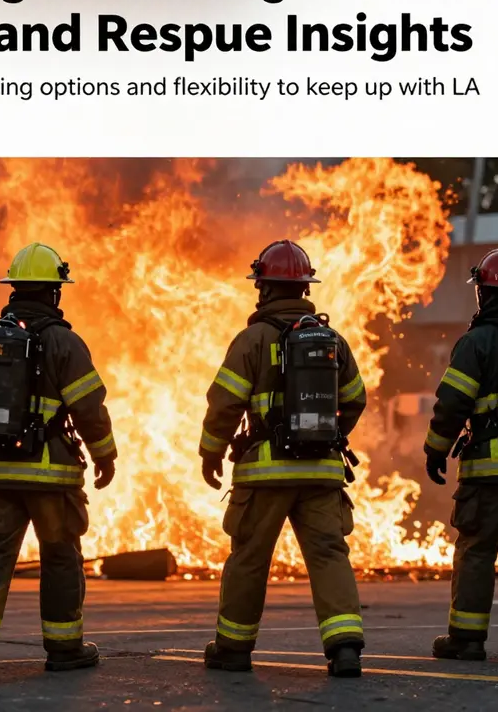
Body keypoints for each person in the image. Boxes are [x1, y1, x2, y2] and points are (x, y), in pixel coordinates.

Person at [199, 240, 367, 677]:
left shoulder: (253, 339)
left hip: (264, 473)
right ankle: (345, 647)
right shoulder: (332, 341)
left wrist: (210, 452)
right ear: (305, 287)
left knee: (250, 557)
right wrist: (328, 437)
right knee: (329, 554)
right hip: (322, 472)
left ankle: (233, 649)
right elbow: (355, 399)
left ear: (264, 288)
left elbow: (224, 404)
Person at [0, 242, 117, 676]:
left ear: (14, 289)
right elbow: (88, 409)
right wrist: (105, 456)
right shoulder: (64, 342)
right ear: (54, 292)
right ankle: (64, 649)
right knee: (60, 556)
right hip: (51, 476)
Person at [424, 246, 498, 661]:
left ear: (485, 292)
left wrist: (435, 450)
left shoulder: (476, 342)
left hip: (490, 471)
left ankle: (467, 639)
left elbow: (452, 404)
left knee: (476, 550)